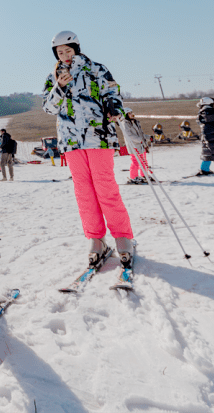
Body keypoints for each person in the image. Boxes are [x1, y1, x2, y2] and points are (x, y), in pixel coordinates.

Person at [42, 31, 136, 267]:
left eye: (68, 50)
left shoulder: (96, 69)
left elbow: (113, 91)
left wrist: (114, 105)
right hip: (71, 140)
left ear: (76, 48)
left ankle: (122, 236)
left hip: (98, 136)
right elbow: (49, 108)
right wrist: (60, 88)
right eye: (59, 52)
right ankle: (96, 238)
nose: (64, 55)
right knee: (83, 191)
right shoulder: (53, 77)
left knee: (105, 186)